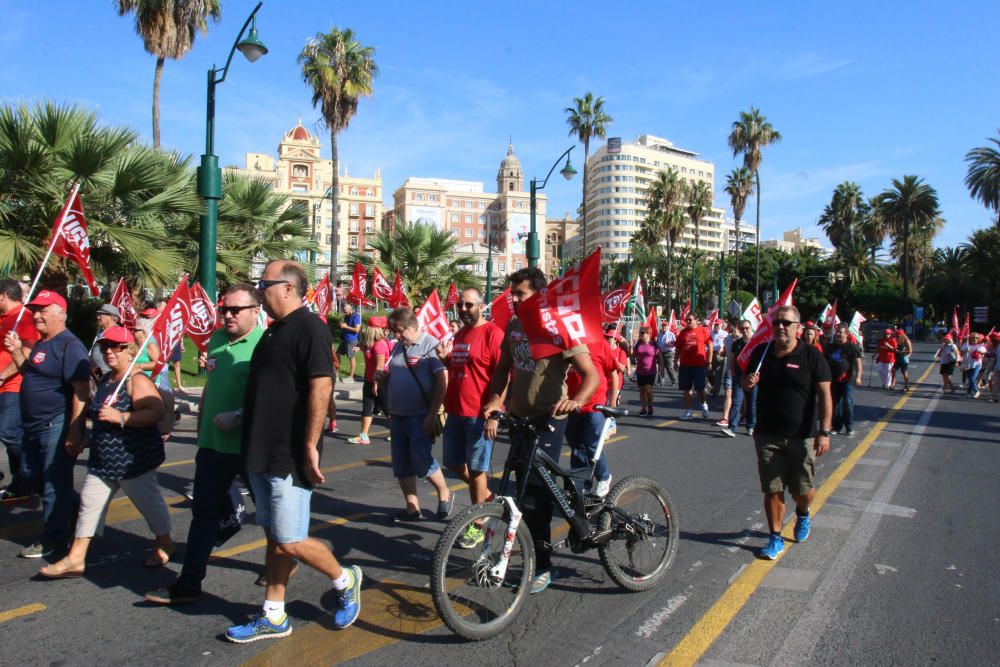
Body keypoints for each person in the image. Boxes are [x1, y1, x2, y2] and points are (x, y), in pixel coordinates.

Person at [225, 260, 361, 643]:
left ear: (286, 288)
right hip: (260, 451)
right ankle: (274, 614)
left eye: (263, 283)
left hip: (288, 454)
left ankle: (345, 578)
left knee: (289, 539)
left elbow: (321, 385)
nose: (258, 291)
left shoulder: (310, 328)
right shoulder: (273, 332)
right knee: (274, 538)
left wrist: (309, 445)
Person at [482, 266, 599, 595]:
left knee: (535, 496)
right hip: (520, 419)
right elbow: (503, 369)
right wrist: (494, 404)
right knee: (516, 490)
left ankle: (543, 566)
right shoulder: (516, 325)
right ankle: (518, 549)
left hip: (548, 419)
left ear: (539, 295)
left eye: (520, 294)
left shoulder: (559, 326)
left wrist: (575, 401)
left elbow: (591, 376)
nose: (514, 300)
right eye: (512, 294)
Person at [144, 284, 264, 605]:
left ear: (256, 310)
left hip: (249, 446)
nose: (227, 315)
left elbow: (269, 399)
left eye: (235, 310)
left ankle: (281, 561)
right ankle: (189, 583)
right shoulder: (217, 339)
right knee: (203, 513)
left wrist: (238, 416)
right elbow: (212, 385)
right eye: (224, 309)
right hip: (213, 447)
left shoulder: (265, 345)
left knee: (267, 511)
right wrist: (201, 428)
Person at [38, 326, 173, 578]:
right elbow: (101, 417)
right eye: (105, 347)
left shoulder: (137, 380)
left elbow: (155, 412)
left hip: (132, 461)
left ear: (130, 350)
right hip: (102, 460)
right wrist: (85, 439)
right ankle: (76, 559)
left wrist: (121, 416)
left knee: (150, 505)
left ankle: (165, 543)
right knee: (88, 505)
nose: (109, 351)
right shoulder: (109, 379)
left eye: (116, 347)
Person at [3, 290, 90, 558]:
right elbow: (31, 372)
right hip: (33, 425)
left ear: (61, 314)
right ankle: (75, 509)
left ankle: (54, 540)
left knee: (53, 483)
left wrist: (76, 430)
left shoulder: (69, 345)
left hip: (56, 423)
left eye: (43, 309)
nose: (36, 315)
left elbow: (81, 391)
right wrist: (17, 352)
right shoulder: (43, 343)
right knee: (36, 478)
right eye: (35, 309)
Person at [743, 305, 832, 560]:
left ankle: (803, 513)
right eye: (777, 323)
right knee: (772, 488)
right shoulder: (762, 352)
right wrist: (747, 383)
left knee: (802, 491)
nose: (781, 327)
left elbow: (825, 396)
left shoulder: (813, 357)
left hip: (802, 435)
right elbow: (746, 381)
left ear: (798, 328)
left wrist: (824, 431)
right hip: (767, 434)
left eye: (787, 323)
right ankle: (775, 537)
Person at [436, 288, 504, 546]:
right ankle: (487, 496)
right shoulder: (461, 334)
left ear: (480, 306)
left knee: (476, 469)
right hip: (456, 411)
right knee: (453, 463)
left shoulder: (493, 334)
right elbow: (462, 367)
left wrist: (495, 412)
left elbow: (503, 374)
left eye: (468, 305)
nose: (463, 309)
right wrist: (447, 360)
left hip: (479, 414)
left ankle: (477, 523)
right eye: (459, 305)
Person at [381, 307, 452, 521]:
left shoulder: (431, 345)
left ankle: (444, 492)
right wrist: (382, 379)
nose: (396, 335)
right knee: (401, 463)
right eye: (394, 331)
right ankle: (412, 507)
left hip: (420, 414)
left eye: (400, 330)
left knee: (421, 460)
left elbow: (442, 381)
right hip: (398, 414)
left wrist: (431, 414)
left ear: (413, 326)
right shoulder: (397, 348)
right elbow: (392, 372)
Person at [566, 327, 619, 498]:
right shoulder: (567, 344)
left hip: (595, 406)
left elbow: (613, 372)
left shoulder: (600, 344)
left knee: (591, 445)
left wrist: (612, 402)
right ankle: (582, 484)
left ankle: (604, 476)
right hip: (573, 405)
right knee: (576, 447)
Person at [0, 279, 40, 498]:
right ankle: (21, 482)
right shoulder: (4, 318)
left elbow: (26, 355)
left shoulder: (23, 318)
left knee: (9, 432)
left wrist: (2, 376)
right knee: (9, 436)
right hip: (3, 387)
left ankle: (32, 473)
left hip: (13, 385)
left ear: (3, 295)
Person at [349, 316, 391, 445]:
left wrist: (376, 384)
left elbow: (379, 366)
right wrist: (359, 348)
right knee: (366, 408)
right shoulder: (370, 343)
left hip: (380, 381)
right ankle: (364, 436)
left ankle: (398, 432)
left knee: (387, 409)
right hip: (369, 380)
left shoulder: (380, 345)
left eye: (368, 327)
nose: (366, 329)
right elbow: (366, 347)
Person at [824, 323, 864, 436]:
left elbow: (858, 363)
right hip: (834, 380)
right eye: (837, 332)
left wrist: (858, 377)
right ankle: (837, 426)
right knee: (835, 404)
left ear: (846, 334)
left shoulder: (852, 347)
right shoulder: (830, 347)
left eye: (840, 332)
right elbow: (825, 362)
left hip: (848, 380)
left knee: (847, 402)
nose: (838, 334)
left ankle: (849, 426)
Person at [676, 314, 713, 420]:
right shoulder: (683, 332)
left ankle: (704, 405)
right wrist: (675, 361)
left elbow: (710, 344)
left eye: (690, 319)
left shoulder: (702, 331)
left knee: (700, 388)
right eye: (687, 319)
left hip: (699, 365)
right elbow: (678, 348)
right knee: (686, 389)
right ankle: (688, 410)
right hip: (685, 365)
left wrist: (709, 361)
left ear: (696, 320)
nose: (688, 321)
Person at [719, 320, 752, 437]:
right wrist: (732, 370)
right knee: (736, 402)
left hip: (752, 377)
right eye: (742, 328)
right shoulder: (736, 343)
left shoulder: (755, 343)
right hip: (738, 375)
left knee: (751, 403)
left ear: (751, 328)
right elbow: (732, 358)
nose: (745, 331)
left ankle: (750, 426)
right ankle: (732, 428)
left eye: (747, 328)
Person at [89, 304, 120, 383]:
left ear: (111, 317)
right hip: (97, 375)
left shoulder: (117, 333)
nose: (98, 317)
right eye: (98, 315)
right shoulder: (101, 331)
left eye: (101, 315)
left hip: (108, 376)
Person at [632, 327, 658, 416]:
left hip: (651, 371)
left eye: (642, 333)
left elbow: (660, 356)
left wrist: (662, 368)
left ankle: (650, 405)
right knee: (642, 390)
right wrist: (631, 349)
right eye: (640, 333)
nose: (641, 334)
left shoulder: (653, 343)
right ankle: (643, 408)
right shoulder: (638, 343)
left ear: (648, 334)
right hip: (640, 371)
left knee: (648, 389)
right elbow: (633, 355)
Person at [338, 303, 361, 383]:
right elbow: (345, 325)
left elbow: (357, 330)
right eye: (344, 312)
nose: (344, 313)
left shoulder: (356, 317)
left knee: (351, 358)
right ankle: (336, 374)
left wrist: (345, 326)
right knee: (337, 354)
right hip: (345, 339)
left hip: (351, 340)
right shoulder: (347, 316)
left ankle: (351, 377)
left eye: (346, 312)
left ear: (350, 310)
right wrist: (342, 325)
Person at [964, 332, 987, 398]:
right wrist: (966, 350)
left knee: (972, 378)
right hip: (968, 365)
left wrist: (978, 350)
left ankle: (977, 391)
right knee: (970, 379)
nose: (974, 339)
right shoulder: (967, 345)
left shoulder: (980, 346)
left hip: (977, 365)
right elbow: (961, 351)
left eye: (976, 338)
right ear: (970, 338)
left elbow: (984, 351)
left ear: (978, 339)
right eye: (973, 337)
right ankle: (969, 391)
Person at [709, 319, 727, 396]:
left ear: (721, 325)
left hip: (720, 354)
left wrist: (723, 348)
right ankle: (714, 385)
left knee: (718, 373)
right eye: (715, 324)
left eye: (718, 324)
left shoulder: (725, 333)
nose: (716, 326)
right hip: (711, 353)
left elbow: (727, 343)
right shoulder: (711, 333)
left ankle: (716, 391)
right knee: (708, 371)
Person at [656, 321, 676, 386]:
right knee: (660, 368)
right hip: (661, 353)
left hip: (669, 352)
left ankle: (673, 381)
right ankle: (660, 381)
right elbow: (658, 343)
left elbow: (675, 344)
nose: (664, 327)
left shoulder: (671, 334)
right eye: (663, 326)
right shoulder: (660, 335)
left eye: (665, 326)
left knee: (669, 367)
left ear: (668, 327)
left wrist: (669, 344)